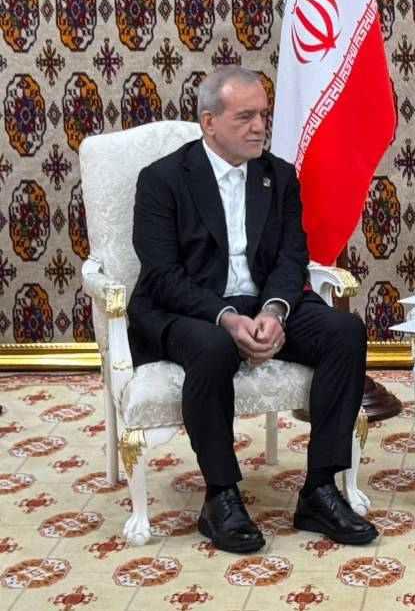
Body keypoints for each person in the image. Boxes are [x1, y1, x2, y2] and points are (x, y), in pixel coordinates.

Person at [127, 66, 378, 552]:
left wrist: (275, 311)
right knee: (214, 347)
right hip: (187, 309)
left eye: (263, 114)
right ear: (209, 122)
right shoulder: (162, 180)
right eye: (245, 117)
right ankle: (220, 496)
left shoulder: (278, 176)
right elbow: (162, 275)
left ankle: (320, 489)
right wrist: (226, 317)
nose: (260, 126)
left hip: (262, 302)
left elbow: (291, 256)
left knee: (344, 331)